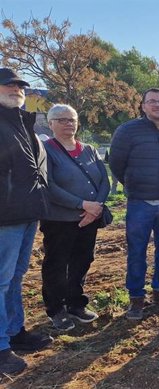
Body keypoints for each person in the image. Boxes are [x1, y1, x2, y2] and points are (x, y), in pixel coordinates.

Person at [109, 88, 159, 320]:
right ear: (143, 106)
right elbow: (116, 163)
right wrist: (133, 184)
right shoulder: (127, 131)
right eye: (151, 101)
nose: (157, 105)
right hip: (139, 203)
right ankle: (136, 298)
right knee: (137, 251)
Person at [0, 68, 53, 374]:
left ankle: (14, 332)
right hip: (4, 215)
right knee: (1, 280)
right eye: (9, 85)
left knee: (15, 277)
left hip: (27, 213)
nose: (16, 89)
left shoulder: (22, 122)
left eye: (20, 86)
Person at [40, 104, 111, 331]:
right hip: (60, 220)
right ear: (50, 124)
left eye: (72, 119)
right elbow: (48, 185)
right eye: (61, 120)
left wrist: (96, 207)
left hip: (90, 218)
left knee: (82, 260)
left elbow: (104, 180)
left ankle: (75, 303)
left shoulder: (88, 149)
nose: (68, 123)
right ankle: (56, 309)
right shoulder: (45, 150)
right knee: (57, 264)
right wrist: (82, 204)